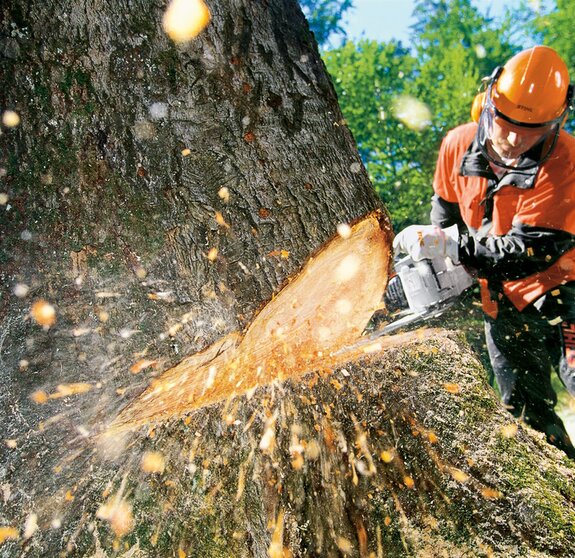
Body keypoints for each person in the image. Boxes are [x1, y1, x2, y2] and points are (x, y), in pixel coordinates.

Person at [393, 45, 575, 459]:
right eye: (507, 123)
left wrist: (455, 244)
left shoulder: (565, 159)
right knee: (528, 420)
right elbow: (444, 221)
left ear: (555, 122)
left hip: (563, 288)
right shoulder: (457, 146)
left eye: (531, 130)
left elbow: (529, 251)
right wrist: (436, 253)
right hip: (501, 303)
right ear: (490, 102)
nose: (513, 138)